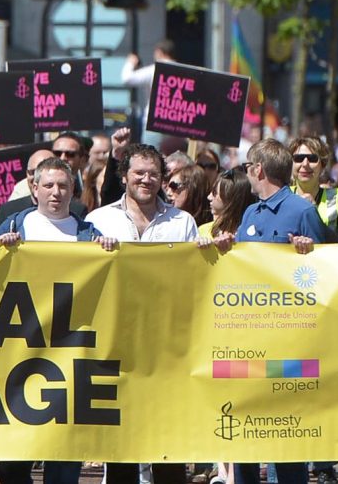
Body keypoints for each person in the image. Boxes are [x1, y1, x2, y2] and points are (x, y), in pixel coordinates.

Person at [207, 139, 328, 484]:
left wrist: (309, 250)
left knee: (285, 439)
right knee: (246, 434)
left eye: (248, 167)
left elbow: (325, 270)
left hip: (289, 345)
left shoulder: (301, 212)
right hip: (250, 341)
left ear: (258, 170)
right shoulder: (250, 212)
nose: (247, 172)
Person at [0, 157, 115, 484]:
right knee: (13, 464)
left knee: (63, 456)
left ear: (73, 190)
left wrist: (108, 253)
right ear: (34, 188)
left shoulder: (89, 234)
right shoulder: (14, 226)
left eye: (63, 185)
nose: (56, 192)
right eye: (48, 185)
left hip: (68, 355)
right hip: (21, 352)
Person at [86, 142, 197, 484]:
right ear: (124, 177)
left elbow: (197, 278)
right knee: (121, 442)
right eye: (139, 173)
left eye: (154, 174)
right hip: (115, 342)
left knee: (167, 442)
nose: (146, 180)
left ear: (163, 178)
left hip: (166, 346)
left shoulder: (183, 222)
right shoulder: (97, 220)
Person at [0, 149, 87, 229]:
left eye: (62, 185)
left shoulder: (78, 211)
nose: (36, 177)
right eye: (33, 172)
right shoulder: (9, 211)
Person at [289, 136, 338, 241]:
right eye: (299, 158)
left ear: (322, 165)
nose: (305, 164)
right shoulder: (280, 197)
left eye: (312, 159)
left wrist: (313, 214)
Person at [196, 166, 254, 241]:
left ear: (231, 198)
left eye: (215, 193)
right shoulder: (203, 231)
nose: (209, 197)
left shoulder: (251, 235)